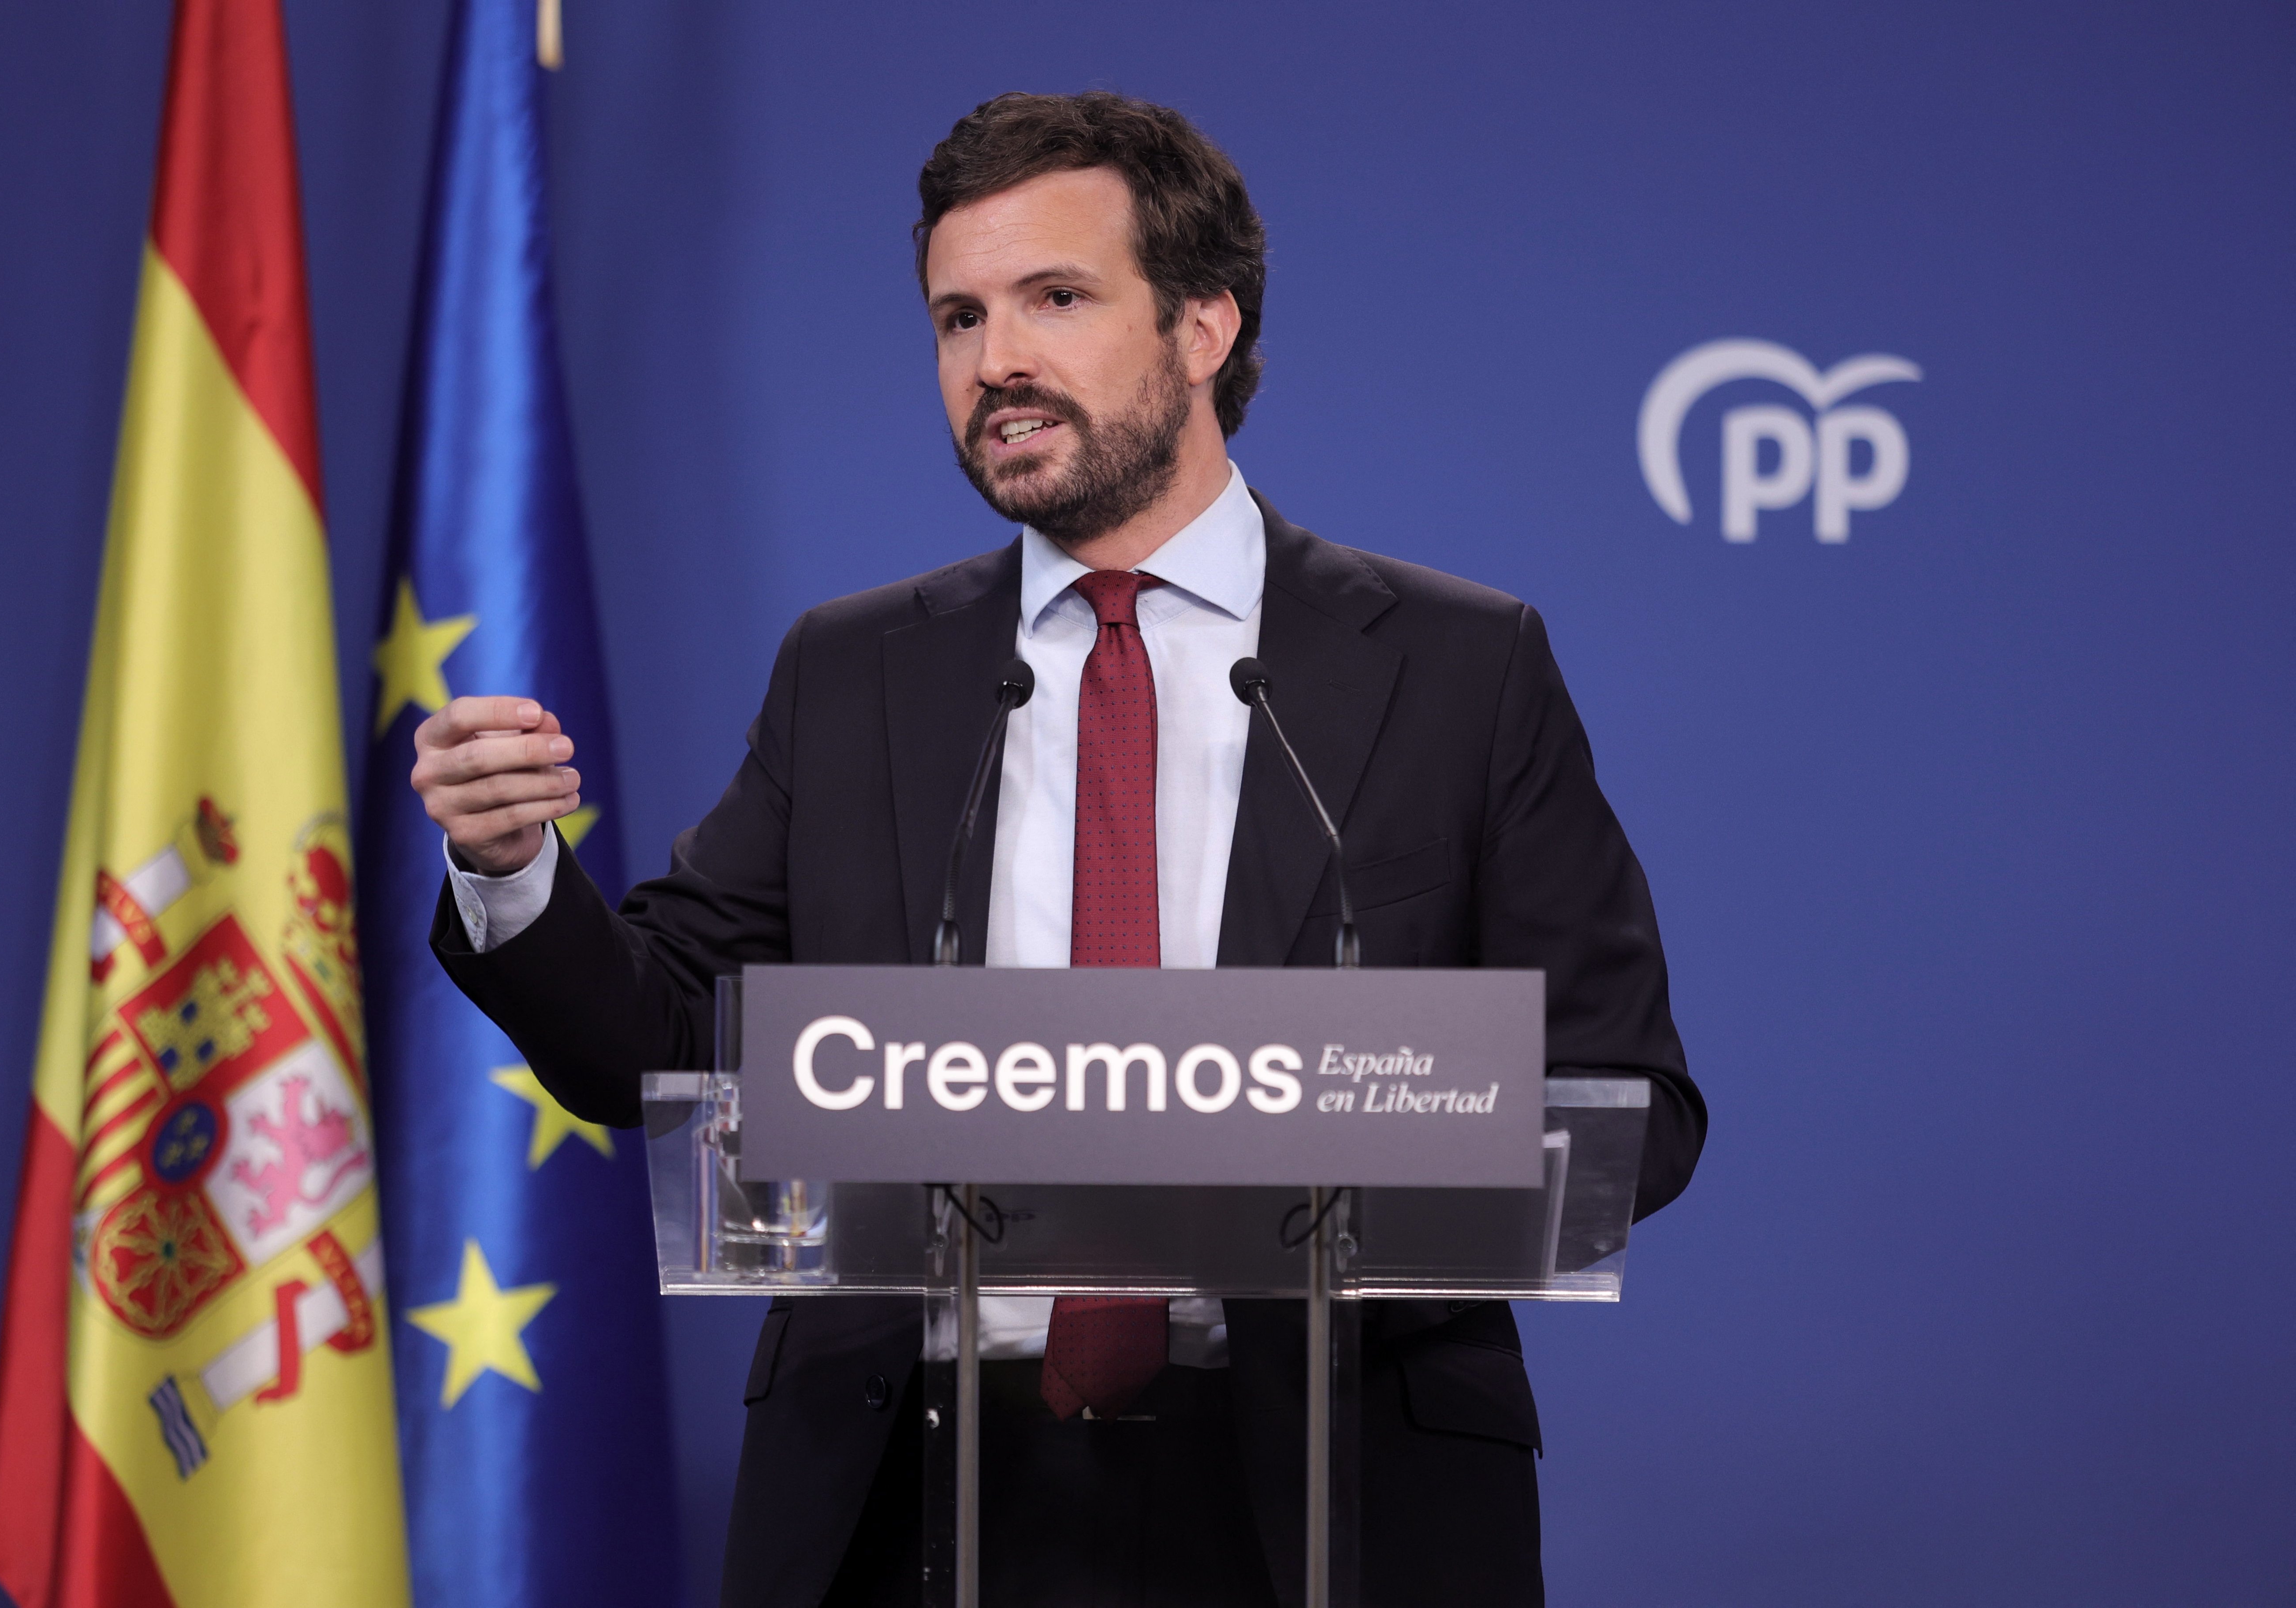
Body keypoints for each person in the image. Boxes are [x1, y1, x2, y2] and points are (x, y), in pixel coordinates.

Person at [415, 90, 1703, 1608]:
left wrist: (1321, 1121)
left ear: (1206, 324)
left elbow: (1632, 1105)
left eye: (1056, 299)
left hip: (1327, 1491)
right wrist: (512, 869)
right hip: (918, 1492)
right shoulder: (855, 673)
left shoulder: (1456, 666)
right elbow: (655, 1044)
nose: (996, 363)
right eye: (958, 318)